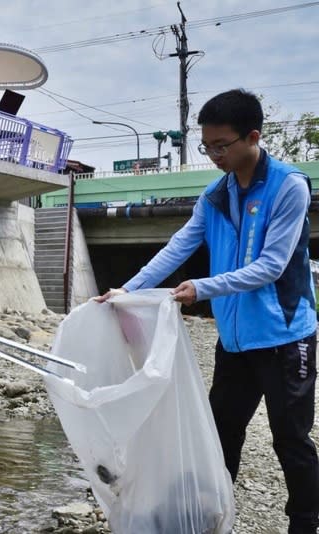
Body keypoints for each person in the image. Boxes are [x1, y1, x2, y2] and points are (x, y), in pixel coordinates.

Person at [97, 89, 319, 534]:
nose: (214, 155)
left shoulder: (288, 186)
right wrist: (129, 288)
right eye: (207, 146)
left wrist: (201, 288)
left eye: (221, 146)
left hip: (285, 338)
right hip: (235, 341)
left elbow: (270, 267)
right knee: (219, 434)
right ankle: (213, 517)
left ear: (252, 136)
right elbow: (179, 244)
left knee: (290, 440)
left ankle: (305, 523)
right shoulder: (216, 196)